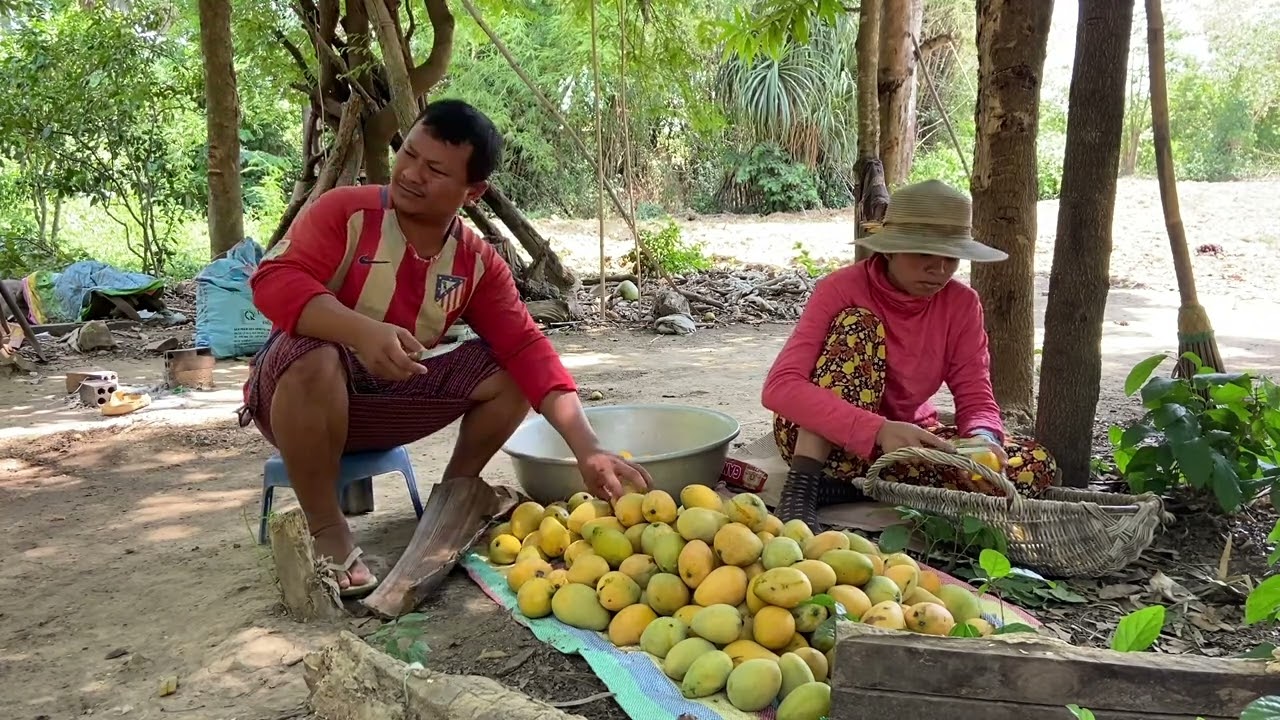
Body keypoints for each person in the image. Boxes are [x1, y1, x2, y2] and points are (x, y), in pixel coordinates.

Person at [237, 99, 651, 596]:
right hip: (294, 397)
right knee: (314, 354)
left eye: (435, 169)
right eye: (408, 154)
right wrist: (360, 332)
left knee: (509, 367)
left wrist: (588, 450)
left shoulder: (475, 262)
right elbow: (274, 282)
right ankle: (328, 530)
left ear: (473, 191)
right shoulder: (347, 212)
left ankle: (451, 500)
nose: (411, 174)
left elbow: (527, 348)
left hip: (390, 401)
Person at [760, 179, 1057, 532]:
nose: (939, 269)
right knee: (858, 326)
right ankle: (803, 489)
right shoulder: (840, 289)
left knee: (1035, 464)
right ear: (889, 250)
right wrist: (878, 428)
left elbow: (976, 395)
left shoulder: (962, 305)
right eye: (923, 254)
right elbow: (780, 388)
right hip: (819, 444)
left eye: (950, 257)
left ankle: (858, 490)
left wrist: (982, 440)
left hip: (901, 449)